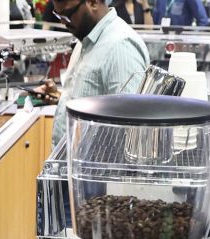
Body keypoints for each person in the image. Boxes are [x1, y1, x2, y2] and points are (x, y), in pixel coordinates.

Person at [47, 0, 149, 146]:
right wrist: (60, 97)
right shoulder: (87, 39)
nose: (63, 22)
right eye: (58, 16)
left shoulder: (120, 46)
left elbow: (130, 131)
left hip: (94, 167)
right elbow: (95, 97)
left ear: (93, 2)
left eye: (68, 15)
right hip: (75, 164)